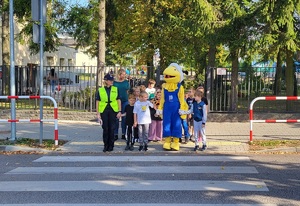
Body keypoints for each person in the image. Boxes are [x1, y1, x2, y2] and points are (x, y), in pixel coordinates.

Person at [96, 73, 122, 152]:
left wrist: (119, 111)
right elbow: (97, 101)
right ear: (106, 81)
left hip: (113, 110)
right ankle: (105, 145)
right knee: (105, 128)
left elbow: (118, 100)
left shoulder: (115, 89)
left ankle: (111, 145)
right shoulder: (100, 90)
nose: (111, 82)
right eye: (110, 80)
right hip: (104, 110)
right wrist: (98, 113)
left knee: (112, 128)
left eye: (112, 80)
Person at [113, 68, 130, 140]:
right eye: (123, 74)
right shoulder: (115, 83)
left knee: (124, 117)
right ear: (119, 74)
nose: (124, 75)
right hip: (116, 100)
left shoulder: (126, 82)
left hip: (125, 100)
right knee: (116, 117)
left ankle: (123, 133)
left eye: (124, 74)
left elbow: (127, 91)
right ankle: (115, 133)